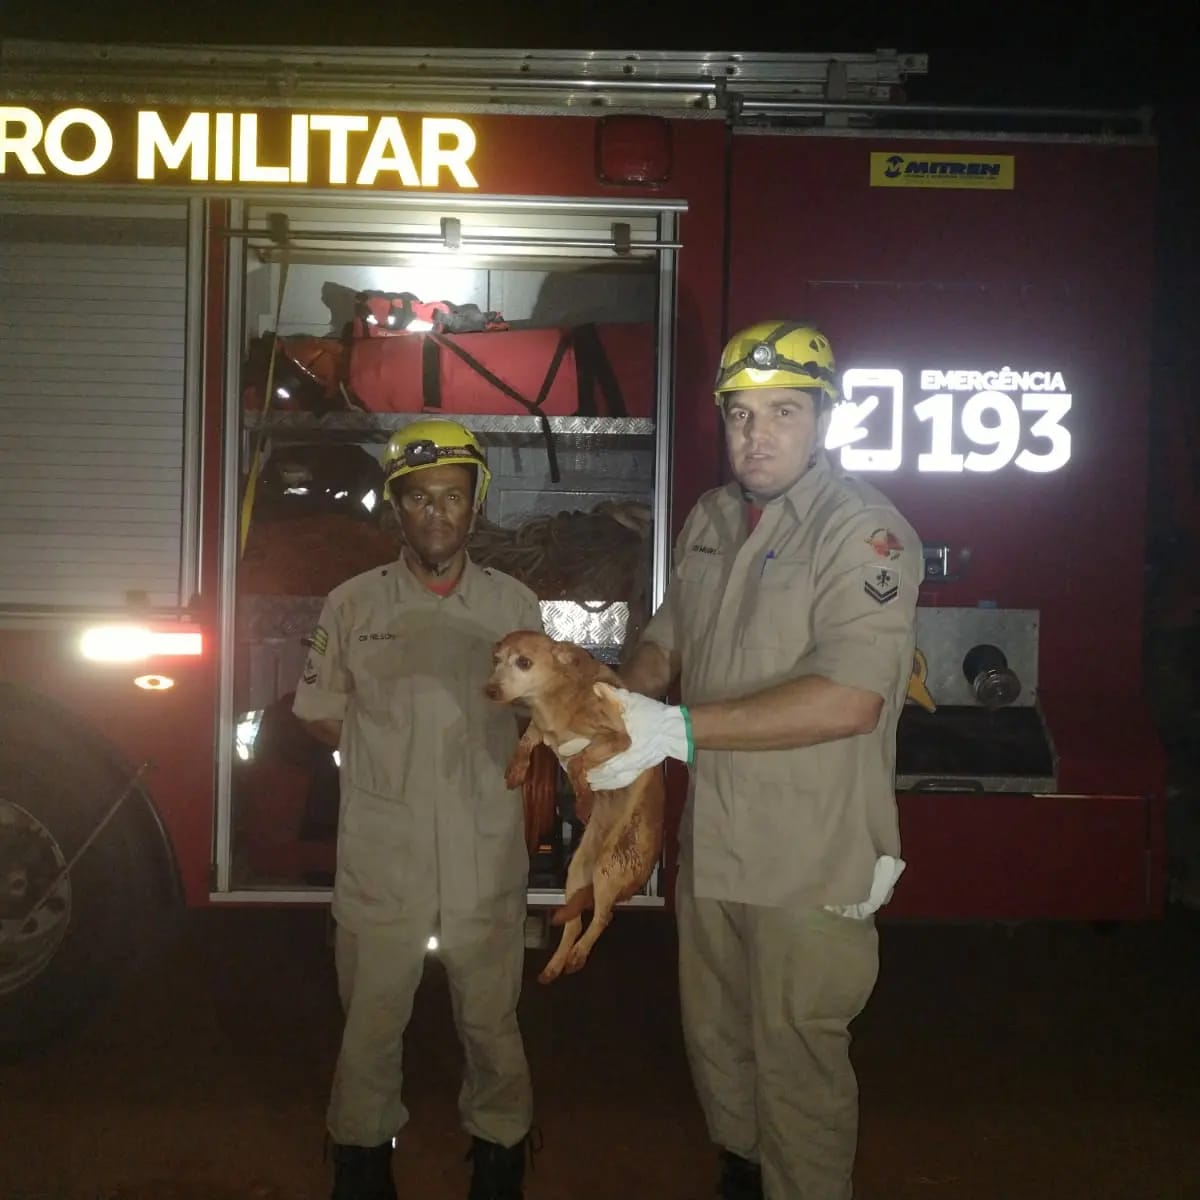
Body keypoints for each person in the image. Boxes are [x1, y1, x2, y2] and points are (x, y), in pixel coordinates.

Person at [585, 321, 921, 1200]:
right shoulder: (714, 517)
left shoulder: (866, 534)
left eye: (783, 413)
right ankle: (741, 1176)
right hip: (718, 847)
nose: (756, 435)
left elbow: (852, 698)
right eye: (740, 414)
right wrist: (621, 707)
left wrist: (677, 732)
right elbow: (667, 640)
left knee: (798, 1063)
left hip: (811, 857)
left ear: (825, 420)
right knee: (720, 1047)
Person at [293, 418, 543, 1200]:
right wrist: (387, 766)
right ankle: (363, 1163)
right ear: (395, 507)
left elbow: (544, 711)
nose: (438, 513)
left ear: (476, 507)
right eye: (420, 498)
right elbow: (319, 708)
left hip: (484, 853)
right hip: (382, 853)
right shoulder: (350, 603)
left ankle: (500, 1157)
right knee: (370, 1022)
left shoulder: (513, 602)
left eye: (454, 498)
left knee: (492, 1023)